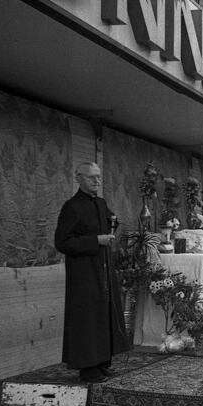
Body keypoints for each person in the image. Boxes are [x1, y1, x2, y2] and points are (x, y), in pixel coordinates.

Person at [54, 162, 129, 383]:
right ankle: (87, 368)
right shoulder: (72, 207)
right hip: (83, 273)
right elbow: (62, 242)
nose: (96, 181)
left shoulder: (100, 203)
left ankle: (102, 362)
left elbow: (110, 222)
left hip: (103, 268)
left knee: (103, 313)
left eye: (98, 177)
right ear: (79, 178)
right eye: (91, 178)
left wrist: (112, 226)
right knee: (87, 318)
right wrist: (96, 240)